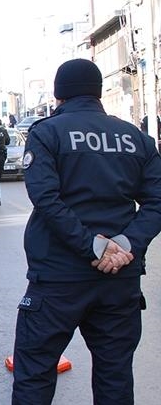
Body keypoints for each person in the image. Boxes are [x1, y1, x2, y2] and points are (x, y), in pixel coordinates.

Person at [11, 59, 161, 404]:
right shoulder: (136, 137)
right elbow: (156, 203)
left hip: (58, 278)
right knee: (115, 377)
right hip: (120, 280)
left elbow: (46, 200)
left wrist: (94, 246)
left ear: (58, 95)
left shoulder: (47, 133)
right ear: (98, 93)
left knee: (34, 373)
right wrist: (123, 245)